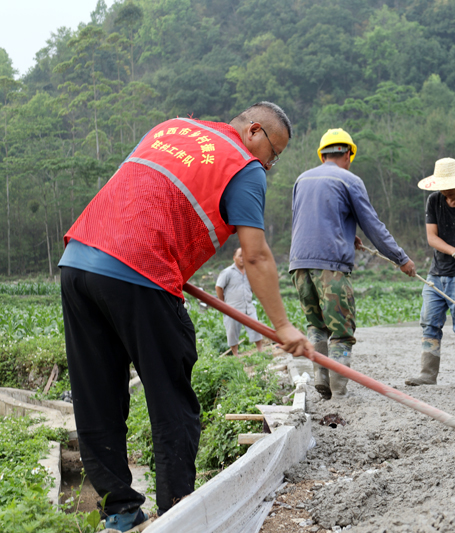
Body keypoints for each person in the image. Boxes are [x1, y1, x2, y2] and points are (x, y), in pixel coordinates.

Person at [58, 102, 312, 530]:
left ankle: (120, 514)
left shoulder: (171, 128)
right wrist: (282, 325)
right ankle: (178, 512)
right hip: (140, 269)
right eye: (274, 154)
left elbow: (142, 194)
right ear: (254, 132)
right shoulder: (242, 165)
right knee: (171, 397)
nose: (269, 166)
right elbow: (255, 254)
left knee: (96, 398)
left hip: (79, 260)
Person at [290, 128, 416, 400]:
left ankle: (320, 377)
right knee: (342, 332)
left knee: (316, 326)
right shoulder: (349, 180)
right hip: (331, 268)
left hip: (298, 266)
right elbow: (374, 226)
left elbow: (311, 220)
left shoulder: (301, 179)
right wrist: (401, 259)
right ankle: (339, 390)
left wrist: (346, 236)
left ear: (322, 155)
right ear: (348, 154)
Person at [406, 158, 455, 387]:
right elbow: (431, 237)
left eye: (452, 193)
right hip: (436, 274)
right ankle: (428, 375)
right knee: (429, 323)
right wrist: (454, 251)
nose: (449, 197)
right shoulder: (434, 201)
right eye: (444, 192)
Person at [216, 247, 265, 356]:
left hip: (248, 307)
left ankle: (260, 351)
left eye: (244, 256)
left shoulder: (250, 271)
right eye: (240, 256)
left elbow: (253, 286)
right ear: (234, 258)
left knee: (256, 328)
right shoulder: (227, 272)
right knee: (232, 332)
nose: (243, 258)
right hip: (232, 308)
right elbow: (219, 287)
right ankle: (235, 355)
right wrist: (223, 303)